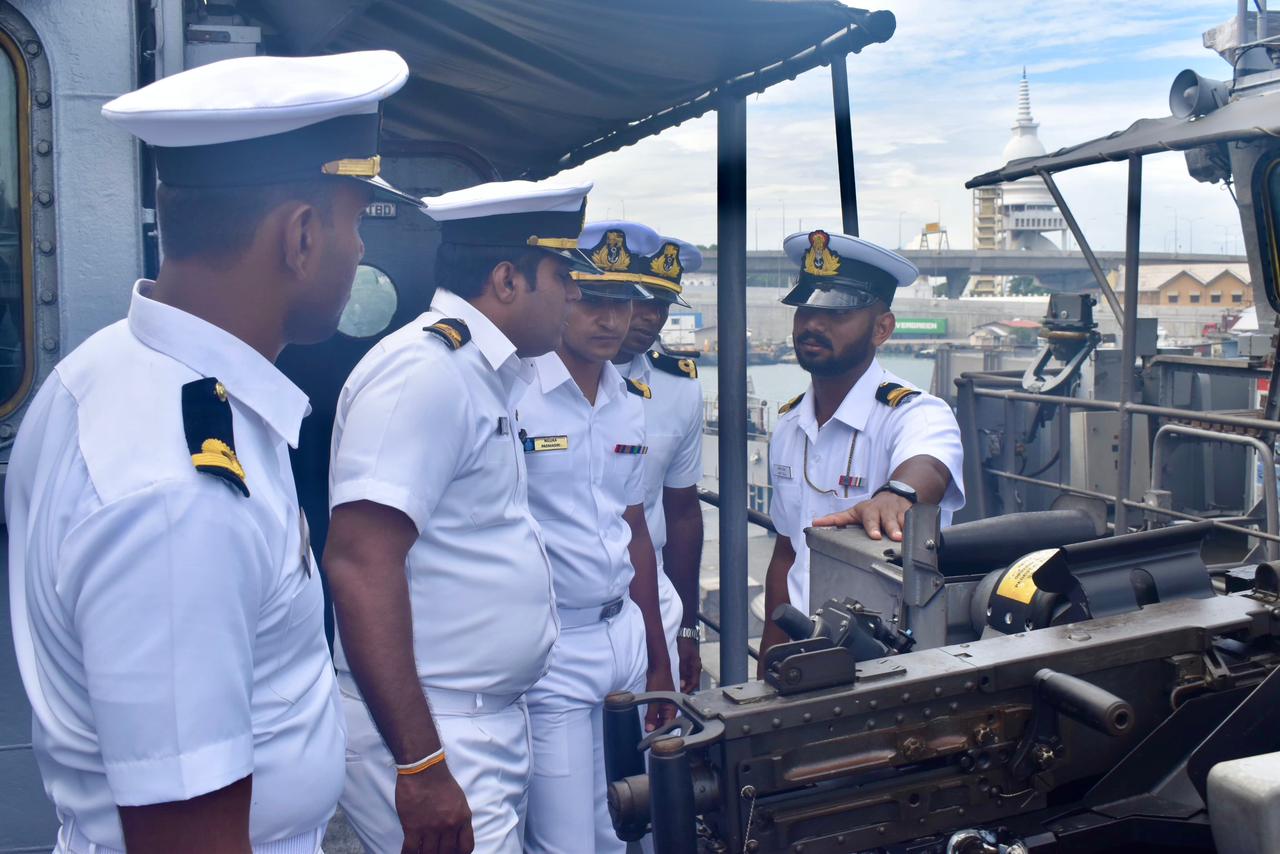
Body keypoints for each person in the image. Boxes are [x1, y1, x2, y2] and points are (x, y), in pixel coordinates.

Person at [5, 50, 418, 853]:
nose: (359, 249)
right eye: (353, 222)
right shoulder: (177, 495)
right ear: (302, 237)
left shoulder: (114, 370)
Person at [324, 179, 594, 854]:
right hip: (436, 727)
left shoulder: (479, 372)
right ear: (507, 280)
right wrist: (421, 765)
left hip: (475, 719)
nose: (576, 294)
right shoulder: (427, 373)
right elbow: (360, 564)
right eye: (562, 275)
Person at [518, 221, 675, 854]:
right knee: (563, 841)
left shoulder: (627, 401)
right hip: (553, 645)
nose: (612, 319)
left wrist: (660, 659)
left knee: (620, 830)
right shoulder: (516, 395)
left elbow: (634, 531)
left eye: (625, 302)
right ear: (563, 295)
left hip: (623, 639)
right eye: (593, 299)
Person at [759, 230, 964, 663]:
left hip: (885, 656)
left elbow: (929, 465)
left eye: (838, 313)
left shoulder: (915, 412)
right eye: (806, 309)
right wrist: (770, 656)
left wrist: (897, 495)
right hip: (802, 651)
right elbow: (788, 553)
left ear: (881, 328)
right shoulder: (789, 426)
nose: (813, 325)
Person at [607, 223, 706, 693]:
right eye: (638, 299)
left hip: (653, 598)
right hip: (561, 606)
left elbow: (682, 512)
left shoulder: (679, 389)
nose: (650, 317)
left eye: (662, 304)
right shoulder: (528, 380)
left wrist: (687, 627)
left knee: (660, 729)